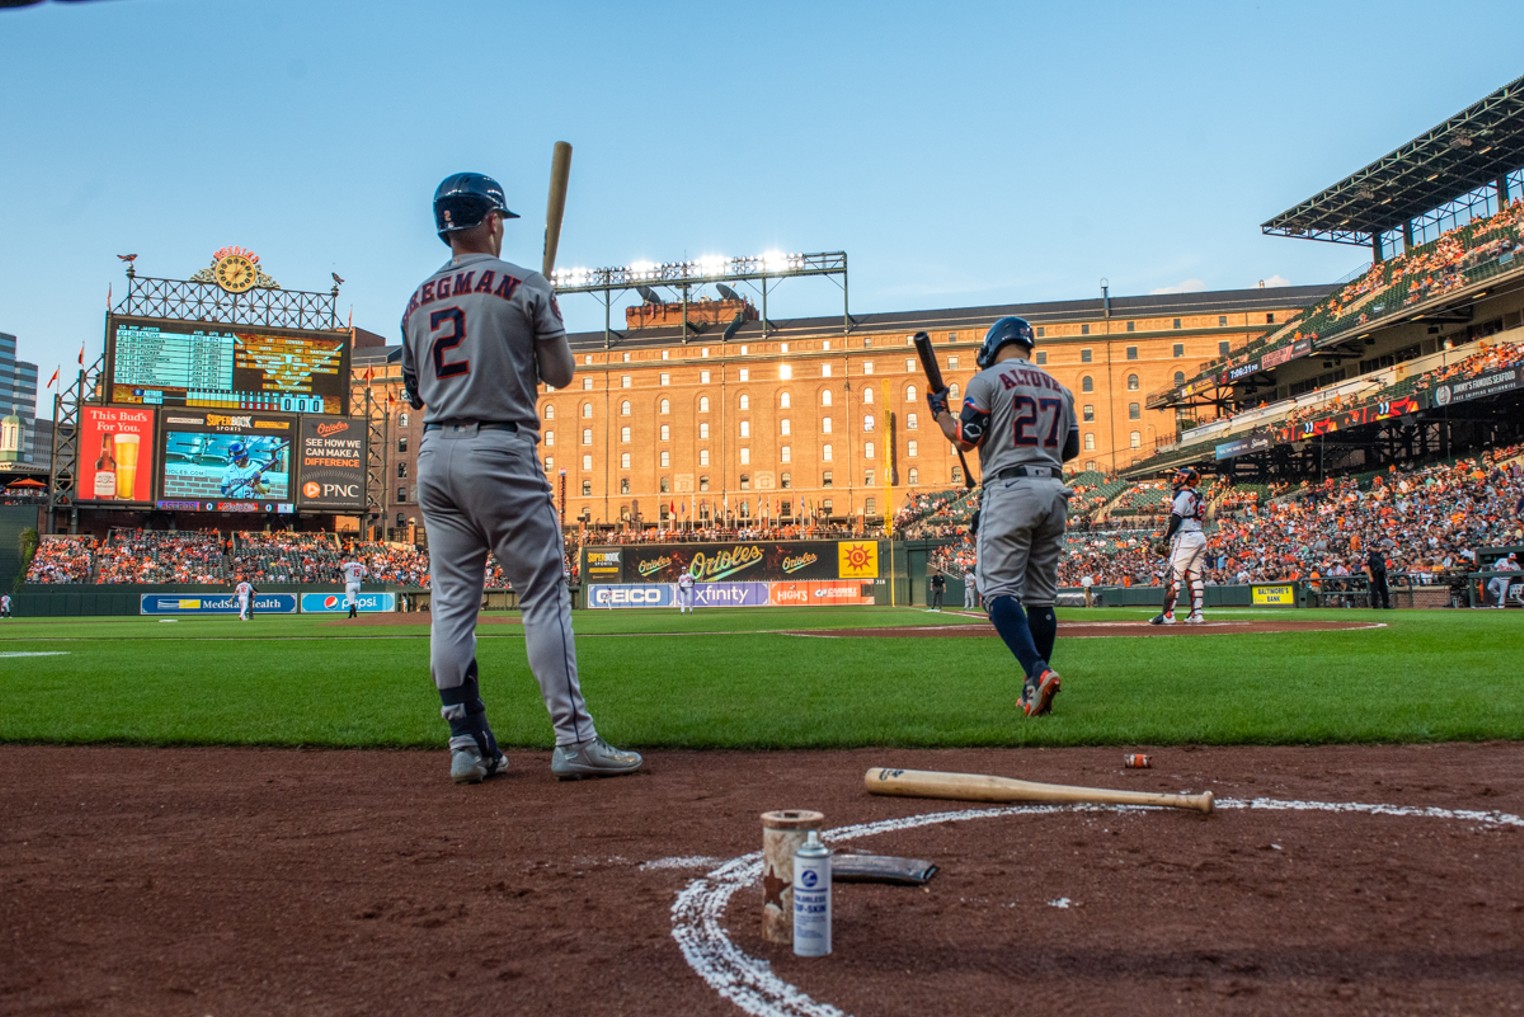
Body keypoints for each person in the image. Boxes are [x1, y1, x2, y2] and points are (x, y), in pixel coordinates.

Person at [401, 171, 642, 785]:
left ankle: (467, 746)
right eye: (499, 219)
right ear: (489, 221)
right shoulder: (524, 284)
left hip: (435, 457)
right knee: (543, 595)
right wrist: (538, 322)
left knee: (452, 606)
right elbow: (560, 375)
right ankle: (575, 740)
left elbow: (414, 393)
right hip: (500, 451)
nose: (501, 228)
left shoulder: (416, 298)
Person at [930, 316, 1077, 718]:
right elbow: (1072, 447)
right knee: (1041, 597)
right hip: (1054, 489)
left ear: (993, 345)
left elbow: (966, 436)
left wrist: (940, 413)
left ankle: (1038, 671)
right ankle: (1034, 690)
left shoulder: (988, 381)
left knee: (996, 594)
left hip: (1010, 488)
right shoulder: (1061, 389)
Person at [1150, 467, 1208, 625]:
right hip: (1199, 536)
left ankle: (1168, 615)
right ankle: (1197, 614)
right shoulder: (1199, 496)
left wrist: (1166, 537)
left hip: (1186, 537)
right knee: (1194, 576)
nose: (1176, 479)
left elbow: (1175, 518)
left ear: (1188, 480)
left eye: (1179, 477)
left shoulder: (1183, 495)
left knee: (1173, 576)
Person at [1367, 545, 1391, 609]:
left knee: (1384, 590)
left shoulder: (1380, 557)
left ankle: (1386, 604)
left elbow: (1384, 567)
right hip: (1375, 574)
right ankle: (1374, 605)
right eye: (1375, 548)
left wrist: (1386, 574)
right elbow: (1368, 567)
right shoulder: (1371, 557)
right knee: (1374, 591)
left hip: (1382, 574)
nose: (1377, 549)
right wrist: (1370, 576)